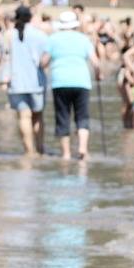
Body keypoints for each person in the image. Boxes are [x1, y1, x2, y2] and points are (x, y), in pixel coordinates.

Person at [44, 11, 100, 160]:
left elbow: (44, 61)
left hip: (60, 81)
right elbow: (95, 62)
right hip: (81, 81)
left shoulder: (53, 39)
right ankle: (82, 148)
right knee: (82, 116)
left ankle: (66, 154)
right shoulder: (83, 39)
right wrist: (99, 75)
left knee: (63, 117)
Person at [6, 5, 49, 156]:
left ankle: (29, 151)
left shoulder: (9, 35)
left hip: (16, 82)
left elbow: (4, 56)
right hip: (36, 82)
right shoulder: (40, 35)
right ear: (30, 17)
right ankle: (40, 148)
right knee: (38, 116)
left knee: (24, 116)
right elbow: (46, 58)